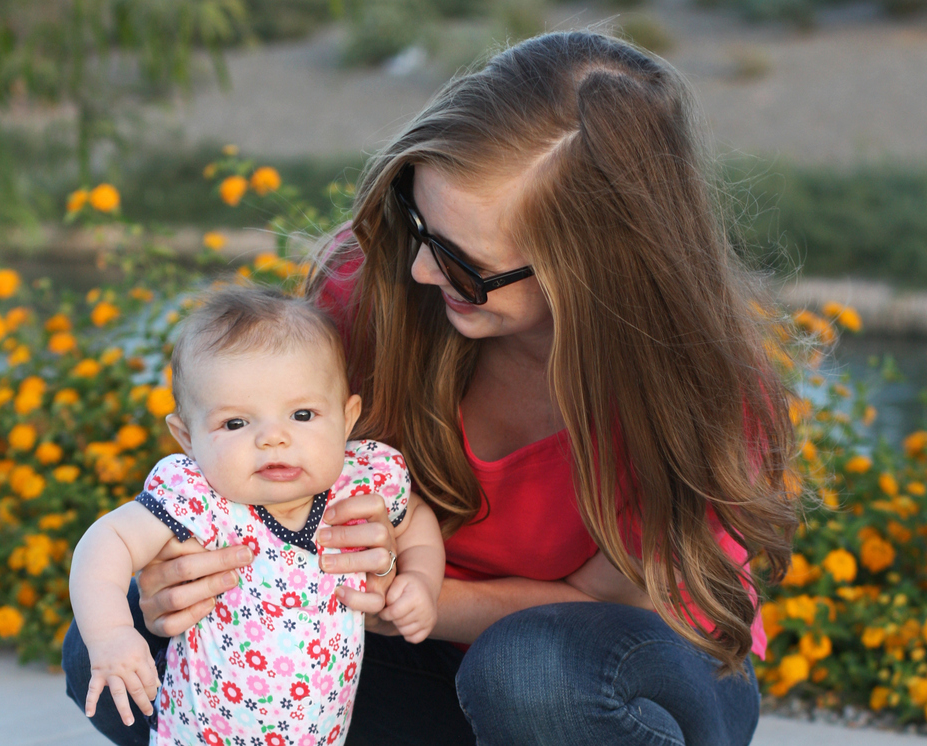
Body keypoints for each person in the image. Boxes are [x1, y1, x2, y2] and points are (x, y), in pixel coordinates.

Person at [64, 29, 799, 746]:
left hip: (625, 678)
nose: (420, 270)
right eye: (419, 222)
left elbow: (602, 603)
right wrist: (188, 582)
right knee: (118, 640)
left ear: (593, 270)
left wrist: (399, 592)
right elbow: (256, 468)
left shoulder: (699, 393)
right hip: (412, 648)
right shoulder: (374, 285)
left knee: (530, 671)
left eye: (463, 262)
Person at [67, 285, 445, 746]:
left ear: (347, 419)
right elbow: (106, 542)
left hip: (321, 731)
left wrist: (421, 578)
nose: (273, 439)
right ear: (186, 437)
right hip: (204, 732)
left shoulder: (361, 480)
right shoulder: (200, 498)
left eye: (302, 414)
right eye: (236, 423)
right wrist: (109, 636)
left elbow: (415, 521)